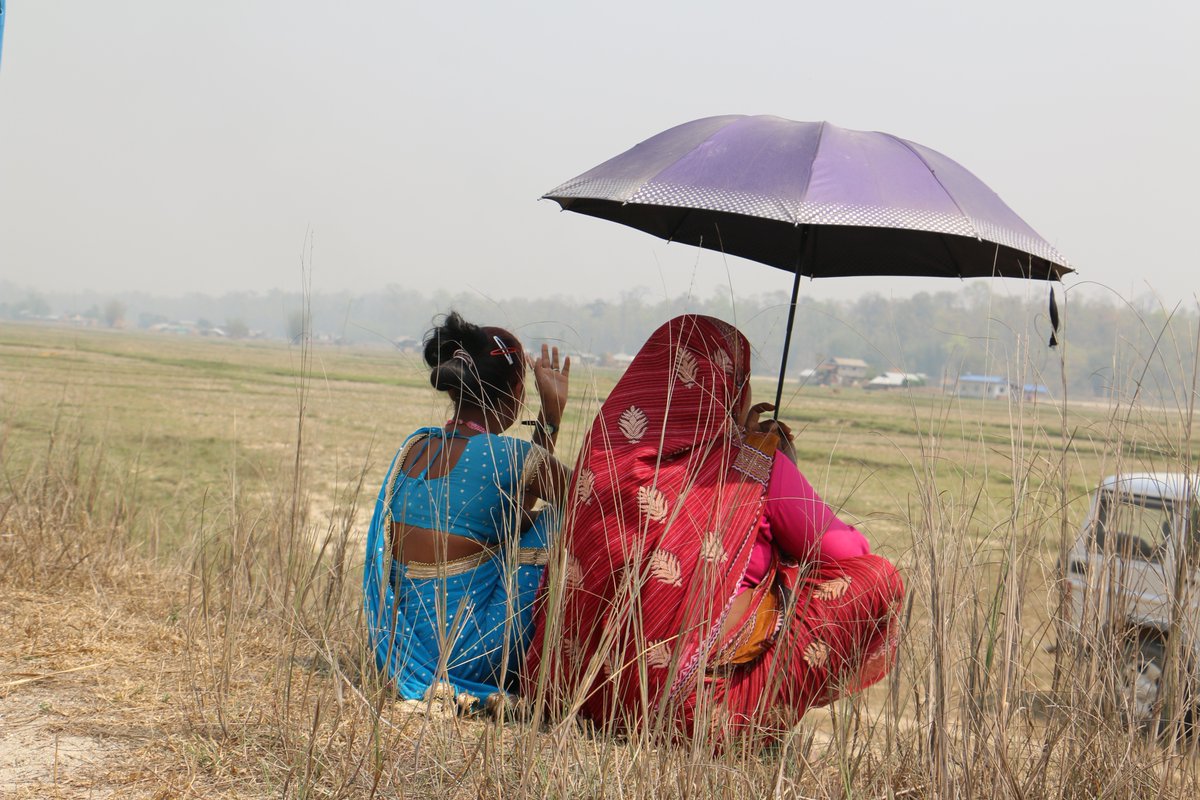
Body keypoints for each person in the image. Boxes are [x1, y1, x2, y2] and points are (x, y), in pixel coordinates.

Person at [524, 314, 902, 740]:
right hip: (690, 715)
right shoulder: (751, 466)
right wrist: (778, 467)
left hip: (573, 694)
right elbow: (850, 553)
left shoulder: (604, 458)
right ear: (730, 388)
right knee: (879, 577)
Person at [363, 311, 571, 705]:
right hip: (469, 656)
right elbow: (591, 496)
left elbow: (508, 510)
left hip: (407, 652)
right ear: (515, 395)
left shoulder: (415, 446)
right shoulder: (510, 456)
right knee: (564, 518)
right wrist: (554, 412)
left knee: (524, 523)